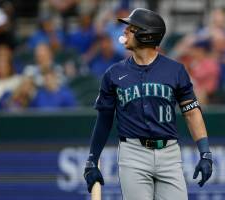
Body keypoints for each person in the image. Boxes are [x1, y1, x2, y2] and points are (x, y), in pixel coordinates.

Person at [83, 8, 213, 200]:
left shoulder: (175, 70)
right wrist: (92, 160)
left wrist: (205, 153)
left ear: (147, 35)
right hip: (133, 152)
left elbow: (191, 112)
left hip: (169, 153)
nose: (125, 31)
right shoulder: (113, 73)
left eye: (132, 28)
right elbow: (104, 119)